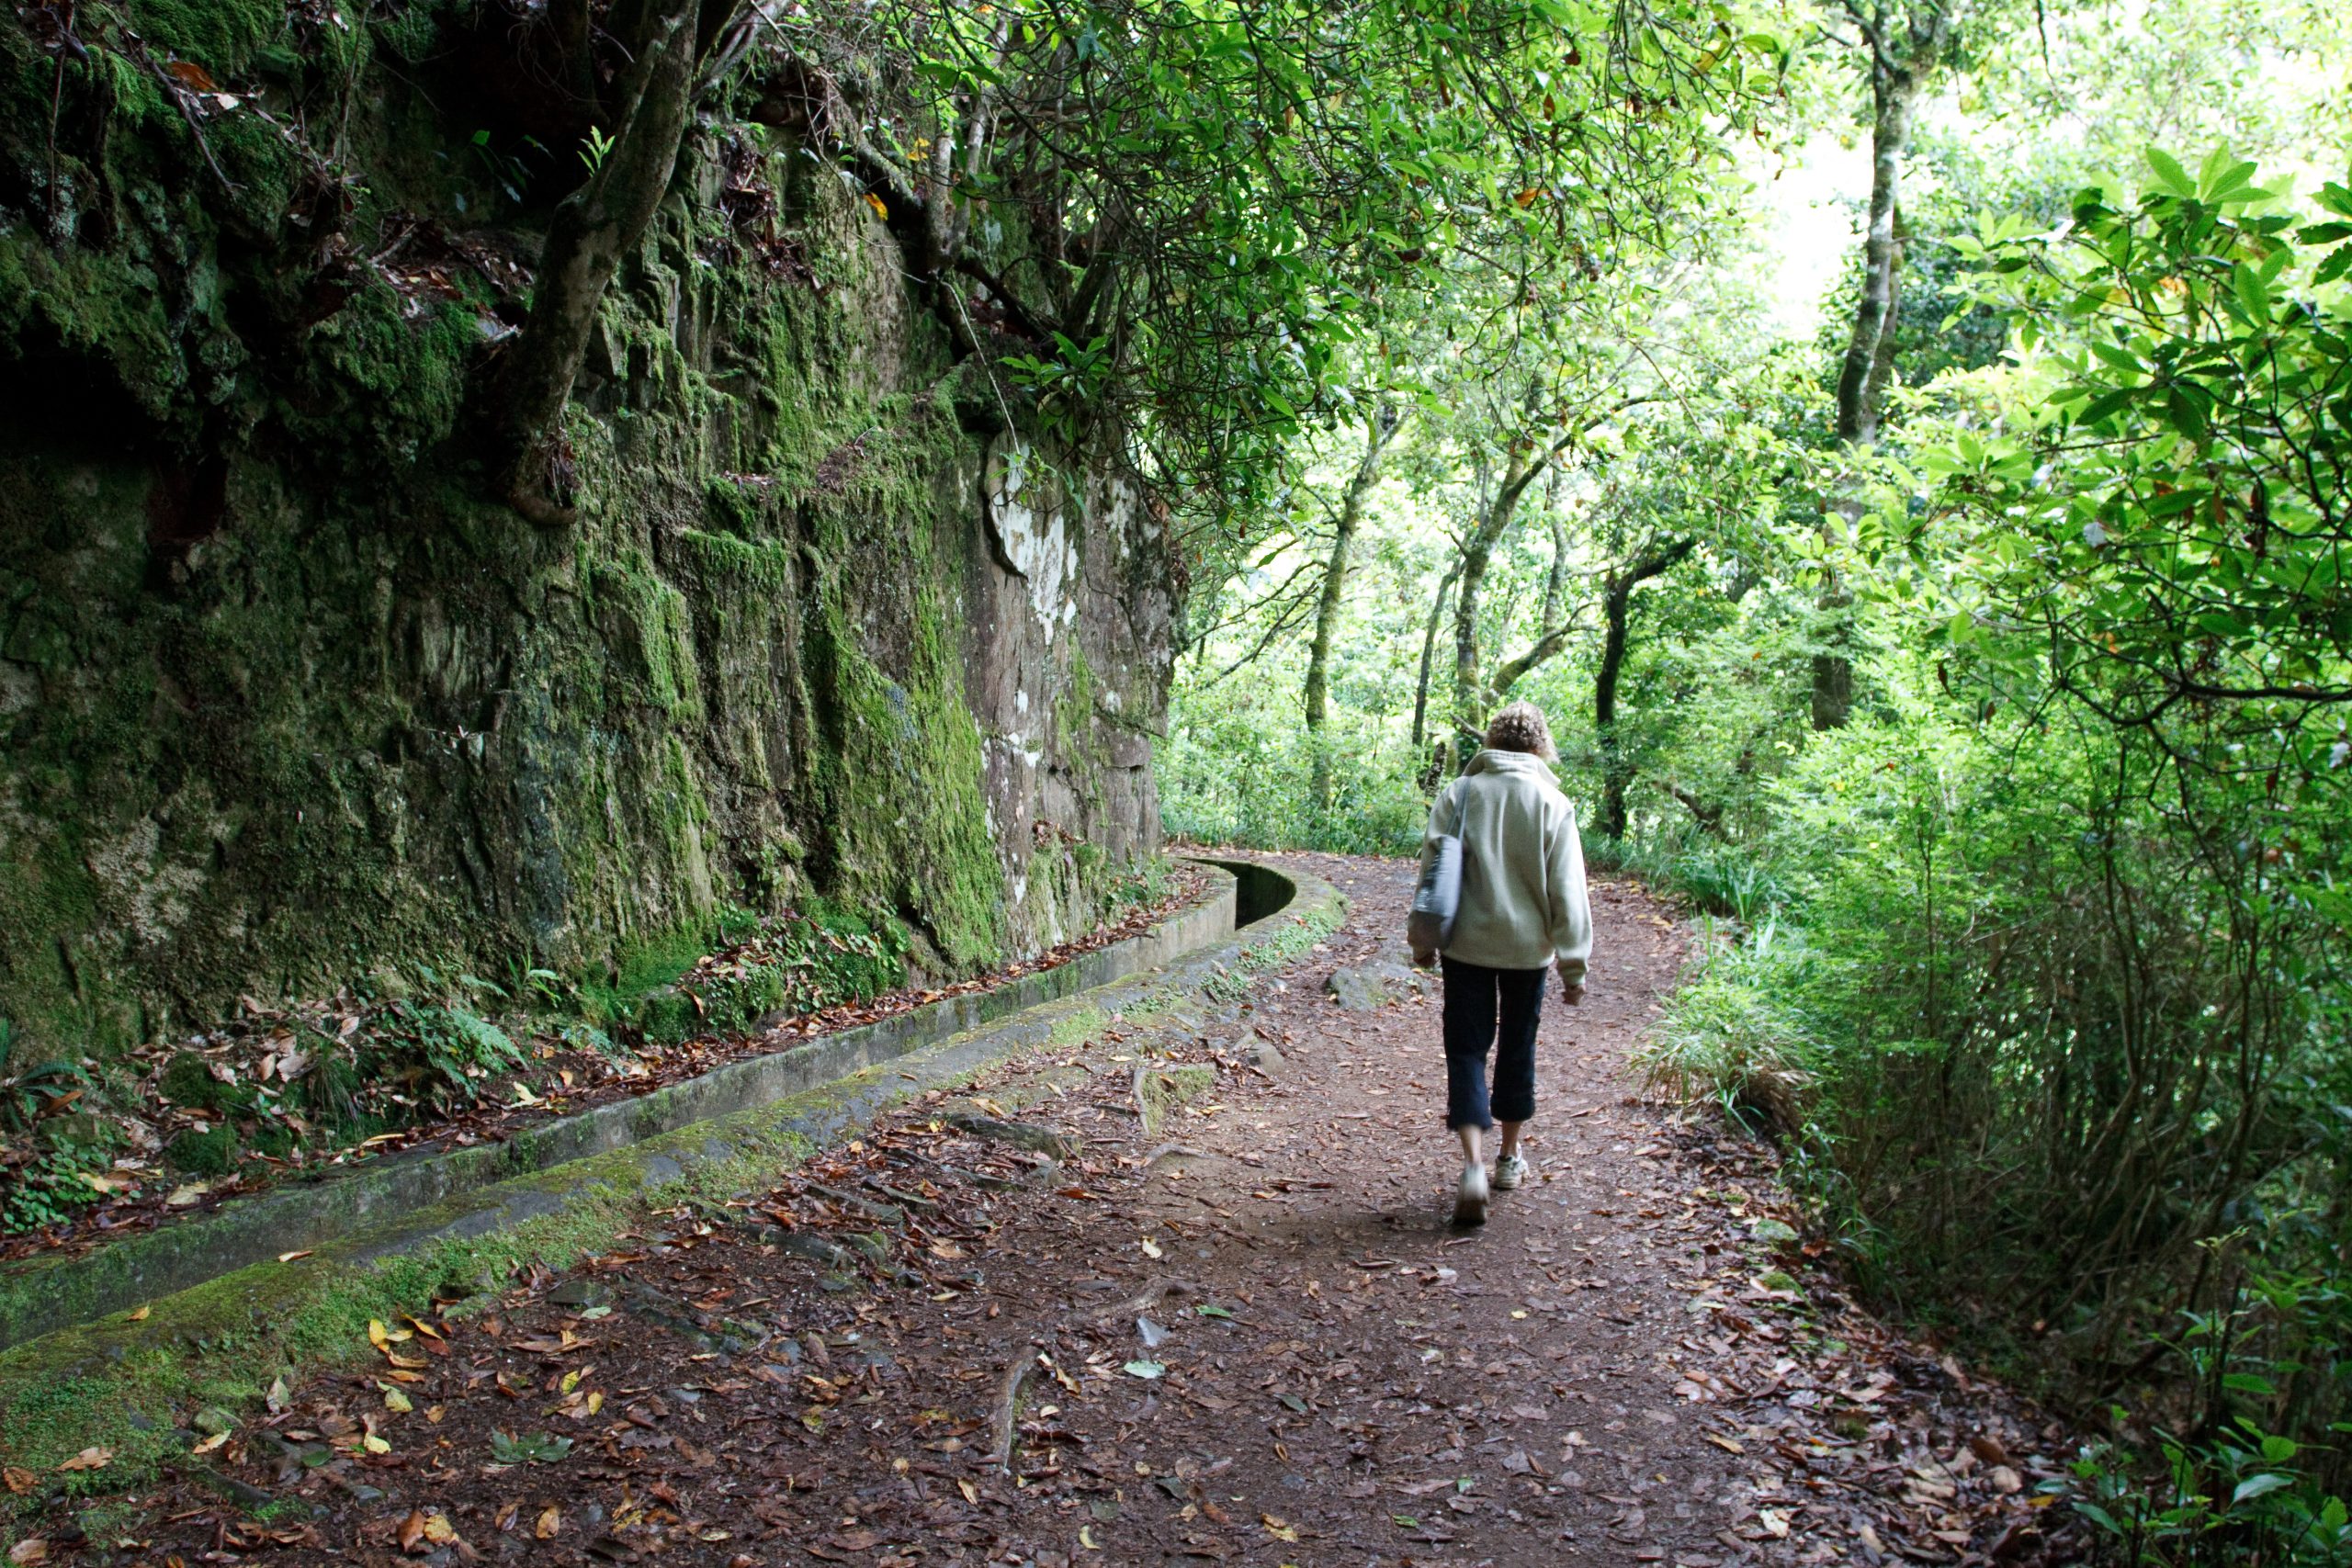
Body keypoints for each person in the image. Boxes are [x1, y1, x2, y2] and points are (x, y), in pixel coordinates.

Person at [1409, 702, 1591, 1226]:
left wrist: (1422, 940)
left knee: (1466, 1050)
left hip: (1465, 946)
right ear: (1540, 746)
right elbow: (1569, 892)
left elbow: (1431, 872)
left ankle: (1472, 1166)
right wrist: (1573, 966)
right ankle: (1509, 1159)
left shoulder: (1461, 793)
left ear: (1491, 740)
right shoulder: (1553, 802)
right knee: (1518, 1045)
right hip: (1527, 952)